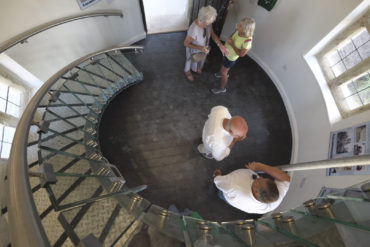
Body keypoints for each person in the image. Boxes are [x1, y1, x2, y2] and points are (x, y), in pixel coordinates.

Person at [213, 162, 291, 214]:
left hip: (228, 194)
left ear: (256, 191)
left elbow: (218, 181)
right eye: (264, 178)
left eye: (260, 181)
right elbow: (286, 179)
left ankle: (219, 194)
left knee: (221, 193)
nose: (260, 177)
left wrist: (218, 175)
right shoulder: (274, 200)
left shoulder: (232, 187)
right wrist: (261, 166)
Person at [211, 17, 255, 94]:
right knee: (223, 66)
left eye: (240, 26)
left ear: (245, 29)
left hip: (230, 58)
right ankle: (221, 73)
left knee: (224, 73)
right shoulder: (238, 30)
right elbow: (232, 35)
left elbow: (241, 54)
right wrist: (229, 39)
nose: (237, 26)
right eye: (239, 24)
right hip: (226, 53)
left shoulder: (247, 41)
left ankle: (222, 88)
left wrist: (232, 44)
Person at [184, 6, 228, 82]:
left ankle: (197, 68)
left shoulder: (207, 24)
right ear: (205, 20)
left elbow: (213, 34)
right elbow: (186, 43)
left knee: (201, 58)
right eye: (212, 20)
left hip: (203, 48)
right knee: (189, 60)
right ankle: (187, 71)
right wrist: (200, 48)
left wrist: (220, 45)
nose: (213, 21)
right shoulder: (194, 30)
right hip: (193, 49)